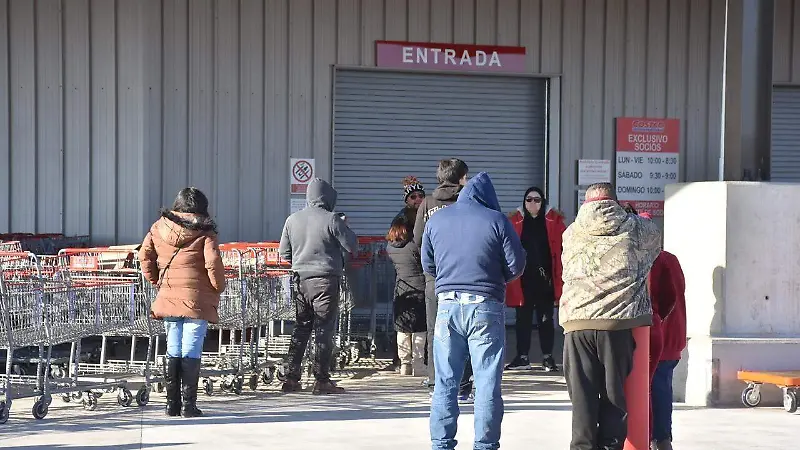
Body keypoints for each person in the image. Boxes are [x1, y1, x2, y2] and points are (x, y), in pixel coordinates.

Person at [422, 171, 526, 450]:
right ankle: (485, 445)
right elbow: (516, 266)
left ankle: (441, 444)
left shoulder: (437, 219)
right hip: (485, 307)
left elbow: (427, 264)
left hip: (447, 306)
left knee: (445, 381)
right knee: (486, 382)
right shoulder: (497, 220)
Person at [559, 182, 661, 450]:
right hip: (617, 323)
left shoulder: (570, 233)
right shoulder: (636, 228)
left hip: (576, 323)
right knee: (614, 396)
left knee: (582, 398)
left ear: (586, 203)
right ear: (615, 201)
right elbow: (656, 242)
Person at [139, 187, 225, 418]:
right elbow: (213, 263)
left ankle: (171, 405)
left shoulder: (158, 228)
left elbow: (144, 256)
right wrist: (219, 287)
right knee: (191, 349)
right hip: (197, 298)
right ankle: (189, 405)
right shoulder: (205, 232)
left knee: (173, 348)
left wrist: (155, 280)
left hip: (168, 295)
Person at [279, 178, 358, 395]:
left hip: (299, 280)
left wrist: (301, 262)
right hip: (325, 281)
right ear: (328, 197)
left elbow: (284, 253)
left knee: (301, 327)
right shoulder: (332, 219)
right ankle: (321, 380)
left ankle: (291, 378)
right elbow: (352, 245)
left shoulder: (292, 220)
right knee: (323, 329)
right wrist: (344, 226)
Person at [413, 158, 474, 400]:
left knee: (435, 330)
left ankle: (435, 383)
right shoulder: (470, 201)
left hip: (435, 277)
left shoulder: (427, 203)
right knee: (467, 330)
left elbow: (418, 240)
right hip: (467, 276)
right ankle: (463, 385)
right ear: (460, 178)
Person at [505, 186, 566, 372]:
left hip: (546, 279)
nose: (533, 203)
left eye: (537, 200)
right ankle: (522, 357)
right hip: (522, 280)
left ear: (543, 202)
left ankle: (547, 357)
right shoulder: (514, 221)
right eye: (529, 200)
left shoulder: (554, 221)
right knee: (522, 320)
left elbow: (563, 248)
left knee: (546, 320)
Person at [649, 251, 686, 450]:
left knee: (654, 391)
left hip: (658, 337)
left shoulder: (650, 259)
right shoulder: (670, 259)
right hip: (673, 335)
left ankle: (658, 438)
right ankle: (662, 438)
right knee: (663, 388)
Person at [386, 215, 427, 377]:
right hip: (419, 289)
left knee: (403, 329)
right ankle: (418, 364)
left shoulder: (390, 248)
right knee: (419, 329)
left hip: (401, 290)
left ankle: (405, 364)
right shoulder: (413, 247)